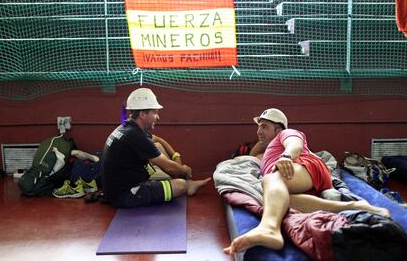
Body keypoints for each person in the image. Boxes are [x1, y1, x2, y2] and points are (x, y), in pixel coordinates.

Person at [224, 108, 390, 254]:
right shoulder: (267, 148)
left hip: (302, 165)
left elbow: (294, 144)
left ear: (278, 129)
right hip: (292, 181)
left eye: (264, 126)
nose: (259, 131)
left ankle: (269, 228)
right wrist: (260, 148)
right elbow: (254, 153)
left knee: (271, 179)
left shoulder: (286, 134)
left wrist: (286, 156)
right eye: (258, 127)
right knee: (280, 201)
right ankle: (354, 207)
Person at [101, 88, 210, 208]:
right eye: (155, 112)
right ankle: (188, 185)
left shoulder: (129, 128)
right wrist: (184, 170)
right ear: (142, 114)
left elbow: (158, 140)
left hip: (119, 186)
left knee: (157, 147)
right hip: (125, 195)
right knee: (181, 186)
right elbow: (169, 168)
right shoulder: (135, 135)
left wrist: (175, 156)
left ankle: (187, 183)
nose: (157, 117)